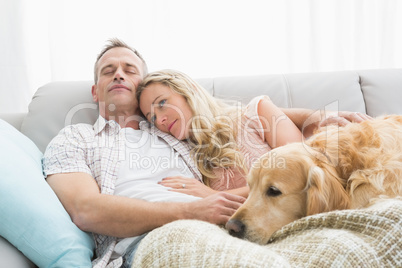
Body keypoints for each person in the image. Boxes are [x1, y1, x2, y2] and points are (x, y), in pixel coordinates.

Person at [43, 38, 369, 267]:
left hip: (228, 227)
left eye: (129, 69)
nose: (118, 74)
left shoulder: (175, 131)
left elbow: (242, 115)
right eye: (108, 70)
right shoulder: (77, 136)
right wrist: (192, 211)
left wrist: (315, 116)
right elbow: (86, 210)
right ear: (94, 90)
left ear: (144, 84)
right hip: (156, 238)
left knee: (354, 244)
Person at [136, 69, 371, 199]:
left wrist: (211, 196)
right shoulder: (187, 160)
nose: (161, 119)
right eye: (152, 117)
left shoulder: (255, 113)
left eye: (162, 103)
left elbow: (301, 175)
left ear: (189, 90)